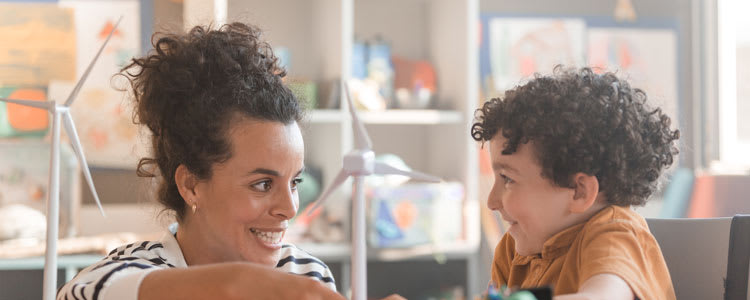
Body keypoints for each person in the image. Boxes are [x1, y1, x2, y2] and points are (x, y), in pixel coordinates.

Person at [58, 23, 345, 300]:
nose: (290, 208)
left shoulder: (307, 274)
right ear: (191, 184)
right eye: (262, 184)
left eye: (294, 182)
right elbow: (81, 292)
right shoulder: (132, 272)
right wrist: (240, 283)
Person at [471, 66, 679, 299]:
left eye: (508, 179)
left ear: (579, 191)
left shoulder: (615, 233)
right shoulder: (514, 250)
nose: (491, 201)